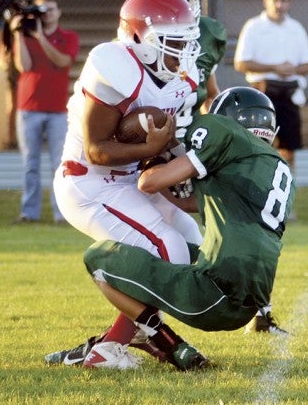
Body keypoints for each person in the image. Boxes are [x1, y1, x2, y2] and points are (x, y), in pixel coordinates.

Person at [44, 0, 228, 368]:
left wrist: (175, 160)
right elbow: (97, 150)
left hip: (128, 179)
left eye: (186, 42)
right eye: (172, 43)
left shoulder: (177, 78)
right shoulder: (114, 65)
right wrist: (154, 143)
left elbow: (156, 150)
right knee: (168, 249)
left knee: (189, 239)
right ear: (139, 37)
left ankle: (113, 343)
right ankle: (143, 342)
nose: (183, 53)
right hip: (89, 183)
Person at [80, 86, 295, 370]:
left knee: (97, 257)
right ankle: (143, 332)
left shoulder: (223, 133)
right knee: (169, 250)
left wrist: (154, 152)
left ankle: (167, 342)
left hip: (213, 295)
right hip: (250, 303)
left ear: (227, 120)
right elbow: (195, 203)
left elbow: (149, 183)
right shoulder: (274, 165)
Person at [9, 0, 80, 223]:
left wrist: (40, 36)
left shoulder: (68, 36)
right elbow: (24, 66)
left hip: (57, 110)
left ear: (58, 12)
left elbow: (62, 61)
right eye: (42, 9)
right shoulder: (25, 37)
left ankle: (62, 214)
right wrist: (19, 34)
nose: (47, 13)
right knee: (30, 164)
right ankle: (29, 213)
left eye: (51, 9)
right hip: (28, 108)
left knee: (59, 164)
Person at [139, 0, 228, 138]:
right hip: (144, 142)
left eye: (186, 1)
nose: (180, 10)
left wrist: (216, 129)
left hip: (191, 138)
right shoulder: (133, 40)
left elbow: (210, 93)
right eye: (169, 4)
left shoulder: (208, 33)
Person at [234, 0, 308, 175]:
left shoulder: (296, 28)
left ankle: (285, 189)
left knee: (289, 148)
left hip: (289, 92)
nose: (279, 5)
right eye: (275, 0)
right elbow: (241, 63)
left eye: (283, 0)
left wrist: (291, 69)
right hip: (262, 92)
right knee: (259, 145)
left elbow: (307, 65)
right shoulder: (254, 27)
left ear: (289, 3)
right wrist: (274, 68)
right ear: (265, 2)